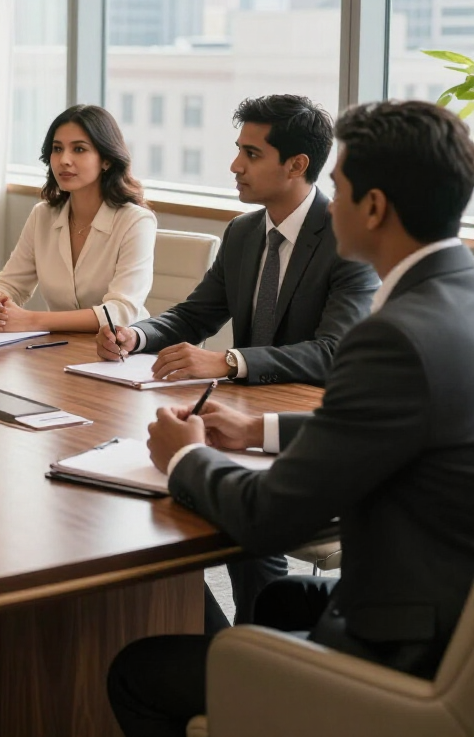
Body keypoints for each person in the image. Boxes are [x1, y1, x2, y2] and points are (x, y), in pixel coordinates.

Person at [107, 100, 474, 737]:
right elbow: (402, 423)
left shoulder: (390, 337)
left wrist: (187, 458)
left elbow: (273, 516)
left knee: (136, 670)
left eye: (340, 184)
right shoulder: (459, 294)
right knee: (274, 601)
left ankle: (255, 688)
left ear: (375, 207)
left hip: (404, 648)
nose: (331, 197)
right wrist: (260, 431)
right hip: (443, 602)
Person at [96, 94, 380, 630]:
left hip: (302, 426)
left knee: (228, 515)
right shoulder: (244, 232)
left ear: (297, 165)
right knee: (157, 502)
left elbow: (333, 350)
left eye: (251, 154)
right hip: (237, 417)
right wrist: (136, 334)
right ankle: (224, 646)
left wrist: (228, 361)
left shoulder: (347, 238)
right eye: (237, 151)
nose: (234, 166)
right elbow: (193, 314)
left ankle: (258, 656)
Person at [0, 104, 156, 334]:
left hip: (120, 354)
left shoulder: (136, 221)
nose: (64, 160)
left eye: (79, 149)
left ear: (106, 160)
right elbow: (10, 283)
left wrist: (31, 320)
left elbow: (120, 311)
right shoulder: (42, 215)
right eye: (57, 149)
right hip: (56, 349)